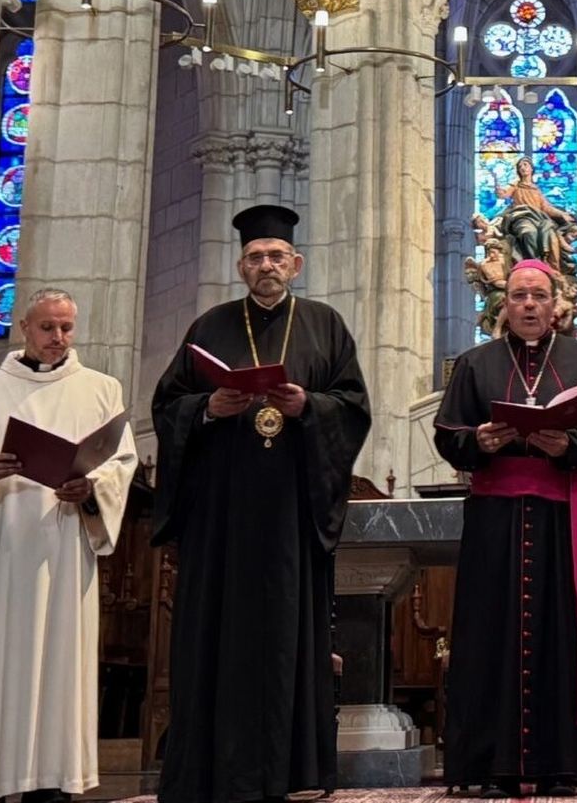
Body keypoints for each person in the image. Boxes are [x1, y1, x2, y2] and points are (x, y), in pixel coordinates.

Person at [152, 204, 371, 803]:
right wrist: (206, 408)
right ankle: (211, 771)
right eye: (254, 257)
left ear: (295, 264)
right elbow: (166, 406)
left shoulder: (325, 326)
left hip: (290, 510)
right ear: (241, 267)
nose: (265, 265)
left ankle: (292, 769)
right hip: (222, 513)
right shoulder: (209, 327)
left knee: (286, 635)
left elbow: (354, 408)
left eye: (276, 256)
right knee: (216, 634)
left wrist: (309, 407)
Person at [433, 259, 577, 798]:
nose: (528, 305)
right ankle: (487, 764)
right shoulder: (475, 363)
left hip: (556, 514)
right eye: (518, 295)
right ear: (503, 304)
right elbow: (448, 435)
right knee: (487, 633)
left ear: (555, 304)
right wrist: (479, 441)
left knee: (557, 631)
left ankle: (560, 763)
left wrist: (569, 444)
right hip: (492, 518)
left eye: (538, 296)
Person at [0, 288, 138, 803]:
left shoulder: (100, 389)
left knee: (57, 668)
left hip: (63, 545)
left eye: (67, 327)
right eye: (47, 327)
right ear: (23, 327)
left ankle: (50, 783)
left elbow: (120, 463)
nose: (58, 337)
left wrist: (92, 488)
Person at [490, 157, 577, 270]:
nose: (523, 168)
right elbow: (503, 194)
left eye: (525, 165)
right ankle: (535, 263)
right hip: (521, 217)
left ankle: (551, 266)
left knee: (550, 233)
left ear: (532, 168)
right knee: (528, 232)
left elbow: (546, 208)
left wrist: (562, 214)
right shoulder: (516, 185)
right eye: (520, 167)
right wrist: (497, 186)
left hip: (538, 218)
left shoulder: (536, 189)